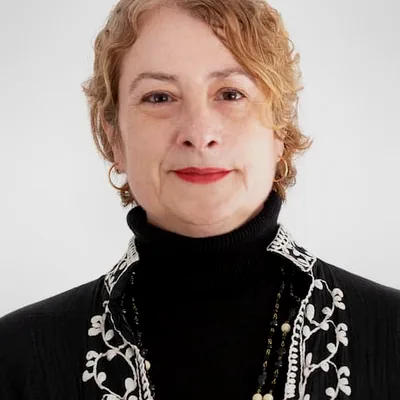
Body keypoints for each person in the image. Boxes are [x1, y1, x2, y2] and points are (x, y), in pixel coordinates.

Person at [1, 0, 399, 399]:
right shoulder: (16, 357)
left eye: (230, 93)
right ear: (114, 137)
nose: (199, 132)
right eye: (159, 97)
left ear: (280, 128)